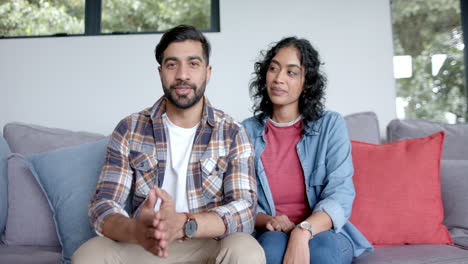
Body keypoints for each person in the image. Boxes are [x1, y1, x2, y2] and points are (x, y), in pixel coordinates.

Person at [73, 25, 265, 264]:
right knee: (89, 254)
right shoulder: (129, 128)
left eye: (193, 64)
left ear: (208, 72)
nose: (182, 75)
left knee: (246, 249)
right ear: (160, 71)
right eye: (172, 64)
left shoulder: (232, 132)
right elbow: (103, 204)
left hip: (204, 244)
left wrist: (185, 223)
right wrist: (136, 230)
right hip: (144, 245)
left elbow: (245, 210)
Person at [242, 37, 373, 264]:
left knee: (322, 253)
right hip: (271, 232)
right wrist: (268, 220)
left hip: (323, 232)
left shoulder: (330, 125)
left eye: (291, 72)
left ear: (306, 82)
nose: (279, 78)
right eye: (274, 68)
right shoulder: (246, 131)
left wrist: (302, 231)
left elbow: (340, 194)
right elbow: (241, 200)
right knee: (271, 252)